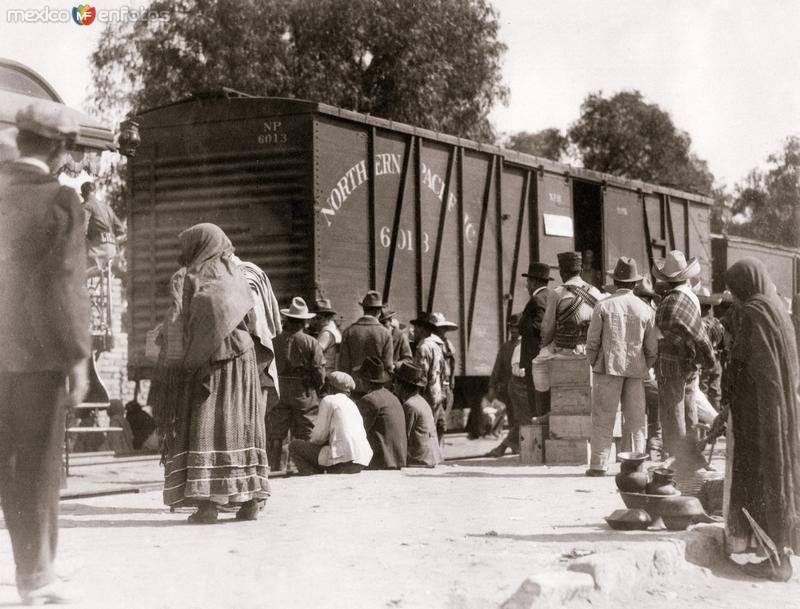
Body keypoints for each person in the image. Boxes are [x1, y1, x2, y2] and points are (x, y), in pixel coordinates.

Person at [0, 103, 89, 605]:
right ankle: (35, 577)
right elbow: (62, 286)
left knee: (5, 463)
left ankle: (35, 568)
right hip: (36, 357)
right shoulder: (60, 202)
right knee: (35, 465)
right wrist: (76, 357)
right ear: (60, 149)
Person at [162, 223, 270, 524]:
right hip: (244, 360)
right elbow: (251, 320)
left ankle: (208, 505)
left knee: (206, 428)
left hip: (210, 362)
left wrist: (174, 364)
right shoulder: (237, 276)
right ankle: (249, 502)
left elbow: (175, 322)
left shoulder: (187, 277)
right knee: (241, 426)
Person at [722, 258, 800, 581]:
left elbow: (747, 364)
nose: (735, 296)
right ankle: (773, 551)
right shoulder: (777, 311)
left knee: (761, 477)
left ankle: (777, 560)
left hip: (760, 416)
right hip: (779, 410)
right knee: (780, 475)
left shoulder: (754, 314)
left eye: (734, 290)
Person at [584, 257, 658, 476]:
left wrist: (595, 362)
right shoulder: (645, 309)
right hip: (636, 370)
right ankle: (635, 465)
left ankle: (598, 465)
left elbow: (592, 342)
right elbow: (652, 348)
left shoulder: (603, 305)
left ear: (615, 281)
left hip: (608, 368)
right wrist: (645, 364)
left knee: (603, 418)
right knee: (636, 420)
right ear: (635, 284)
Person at [653, 250, 715, 463]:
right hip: (691, 360)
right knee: (690, 408)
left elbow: (659, 332)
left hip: (670, 363)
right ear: (686, 277)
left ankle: (679, 456)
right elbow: (697, 329)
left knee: (673, 409)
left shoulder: (668, 301)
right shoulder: (691, 298)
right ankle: (693, 452)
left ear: (667, 280)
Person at [531, 252, 603, 414]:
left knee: (537, 362)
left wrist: (545, 344)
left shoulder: (556, 293)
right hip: (592, 352)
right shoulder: (595, 292)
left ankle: (544, 414)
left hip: (566, 350)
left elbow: (547, 329)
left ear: (562, 273)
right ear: (581, 271)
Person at [269, 297, 325, 470]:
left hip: (279, 389)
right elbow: (318, 371)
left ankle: (275, 467)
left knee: (276, 432)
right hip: (303, 391)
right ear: (304, 322)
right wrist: (318, 388)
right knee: (306, 428)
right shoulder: (311, 342)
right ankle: (304, 466)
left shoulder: (274, 341)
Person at [232, 256, 281, 439]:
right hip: (259, 349)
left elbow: (250, 319)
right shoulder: (253, 274)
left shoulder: (241, 277)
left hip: (250, 350)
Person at [288, 372, 373, 475]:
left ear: (330, 387)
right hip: (361, 460)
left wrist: (311, 444)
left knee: (294, 446)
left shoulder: (328, 400)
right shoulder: (352, 404)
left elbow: (318, 437)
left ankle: (311, 476)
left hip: (343, 461)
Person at [355, 356, 407, 469]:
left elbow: (356, 431)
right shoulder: (393, 397)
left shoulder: (369, 400)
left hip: (381, 464)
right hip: (398, 461)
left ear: (365, 380)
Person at [339, 290, 393, 395]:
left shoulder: (349, 331)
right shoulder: (385, 333)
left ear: (363, 309)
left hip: (353, 388)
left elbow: (343, 366)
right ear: (379, 312)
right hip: (376, 390)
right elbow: (388, 367)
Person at [393, 362, 442, 467]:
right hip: (431, 457)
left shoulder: (409, 405)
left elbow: (404, 436)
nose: (394, 386)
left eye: (396, 383)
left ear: (401, 386)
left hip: (420, 460)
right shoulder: (421, 401)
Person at [485, 314, 521, 455]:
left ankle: (509, 445)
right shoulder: (505, 347)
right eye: (511, 327)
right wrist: (492, 387)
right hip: (509, 390)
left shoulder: (524, 345)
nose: (513, 330)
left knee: (520, 419)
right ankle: (515, 446)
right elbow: (497, 368)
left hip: (522, 389)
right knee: (513, 418)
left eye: (516, 327)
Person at [412, 312, 448, 444]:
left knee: (424, 426)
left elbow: (421, 375)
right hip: (436, 391)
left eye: (416, 328)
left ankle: (427, 456)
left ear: (422, 329)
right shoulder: (436, 346)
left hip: (426, 394)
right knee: (433, 424)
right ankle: (436, 454)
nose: (414, 331)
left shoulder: (423, 347)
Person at [80, 180, 126, 271]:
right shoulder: (107, 207)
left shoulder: (86, 205)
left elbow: (81, 228)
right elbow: (121, 229)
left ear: (82, 195)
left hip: (97, 251)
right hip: (112, 252)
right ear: (95, 192)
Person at [430, 313, 458, 438]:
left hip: (446, 384)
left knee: (443, 419)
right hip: (437, 384)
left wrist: (452, 378)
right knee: (437, 420)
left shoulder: (447, 343)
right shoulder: (431, 344)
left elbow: (452, 361)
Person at [313, 298, 341, 375]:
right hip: (333, 371)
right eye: (314, 318)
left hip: (326, 373)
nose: (315, 321)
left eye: (318, 318)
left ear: (328, 318)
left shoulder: (326, 334)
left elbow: (315, 353)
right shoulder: (334, 331)